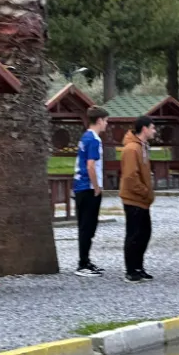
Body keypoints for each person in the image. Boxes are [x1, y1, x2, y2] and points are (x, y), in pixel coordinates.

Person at [120, 116, 157, 283]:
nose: (154, 131)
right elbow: (130, 176)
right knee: (134, 234)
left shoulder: (142, 147)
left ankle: (138, 267)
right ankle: (131, 270)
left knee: (144, 233)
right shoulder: (132, 149)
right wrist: (145, 192)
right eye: (152, 128)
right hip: (134, 199)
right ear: (144, 129)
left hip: (142, 199)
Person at [73, 107, 109, 276]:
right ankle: (82, 264)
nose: (106, 124)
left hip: (80, 186)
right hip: (88, 187)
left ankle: (86, 260)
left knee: (86, 226)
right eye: (106, 121)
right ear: (99, 120)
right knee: (87, 226)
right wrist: (96, 186)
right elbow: (90, 165)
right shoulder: (94, 139)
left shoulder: (85, 137)